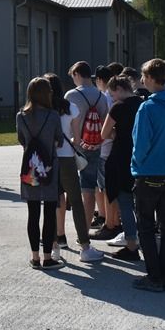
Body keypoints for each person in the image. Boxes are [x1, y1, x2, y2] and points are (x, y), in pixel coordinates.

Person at [129, 58, 165, 292]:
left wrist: (137, 164)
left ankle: (154, 276)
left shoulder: (147, 108)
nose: (142, 80)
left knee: (145, 226)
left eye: (144, 76)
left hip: (147, 173)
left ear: (151, 78)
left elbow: (140, 143)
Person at [45, 73, 102, 263]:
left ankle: (54, 246)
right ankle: (85, 247)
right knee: (76, 201)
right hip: (66, 158)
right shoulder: (71, 108)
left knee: (53, 201)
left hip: (47, 160)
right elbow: (77, 140)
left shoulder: (42, 109)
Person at [17, 76, 63, 270]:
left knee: (33, 213)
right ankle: (47, 257)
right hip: (49, 166)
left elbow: (22, 140)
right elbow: (59, 140)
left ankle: (35, 257)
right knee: (50, 212)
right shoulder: (53, 116)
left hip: (30, 167)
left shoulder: (21, 116)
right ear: (47, 94)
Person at [100, 75, 144, 261]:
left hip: (120, 157)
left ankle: (131, 244)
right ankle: (144, 239)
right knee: (142, 204)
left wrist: (117, 133)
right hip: (141, 156)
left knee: (125, 203)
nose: (112, 98)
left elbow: (104, 133)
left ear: (118, 89)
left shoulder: (118, 107)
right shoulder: (143, 104)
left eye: (112, 94)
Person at [65, 62, 110, 231]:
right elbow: (105, 122)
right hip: (95, 146)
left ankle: (76, 227)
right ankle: (85, 228)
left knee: (73, 188)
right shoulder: (101, 96)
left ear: (77, 74)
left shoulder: (71, 95)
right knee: (90, 187)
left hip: (74, 146)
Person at [92, 65, 120, 240]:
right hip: (112, 148)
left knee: (107, 189)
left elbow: (105, 129)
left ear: (99, 80)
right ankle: (111, 220)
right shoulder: (115, 98)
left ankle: (111, 223)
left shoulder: (104, 99)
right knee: (107, 188)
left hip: (104, 149)